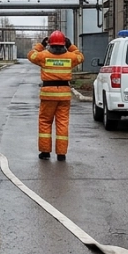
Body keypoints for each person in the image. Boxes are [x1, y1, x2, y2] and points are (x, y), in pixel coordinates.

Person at [27, 30, 84, 161]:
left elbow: (31, 55)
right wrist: (71, 46)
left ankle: (45, 152)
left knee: (45, 122)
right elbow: (80, 56)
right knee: (62, 123)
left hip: (48, 95)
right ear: (64, 43)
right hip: (64, 95)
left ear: (50, 43)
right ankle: (61, 154)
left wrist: (41, 45)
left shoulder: (43, 56)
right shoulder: (70, 57)